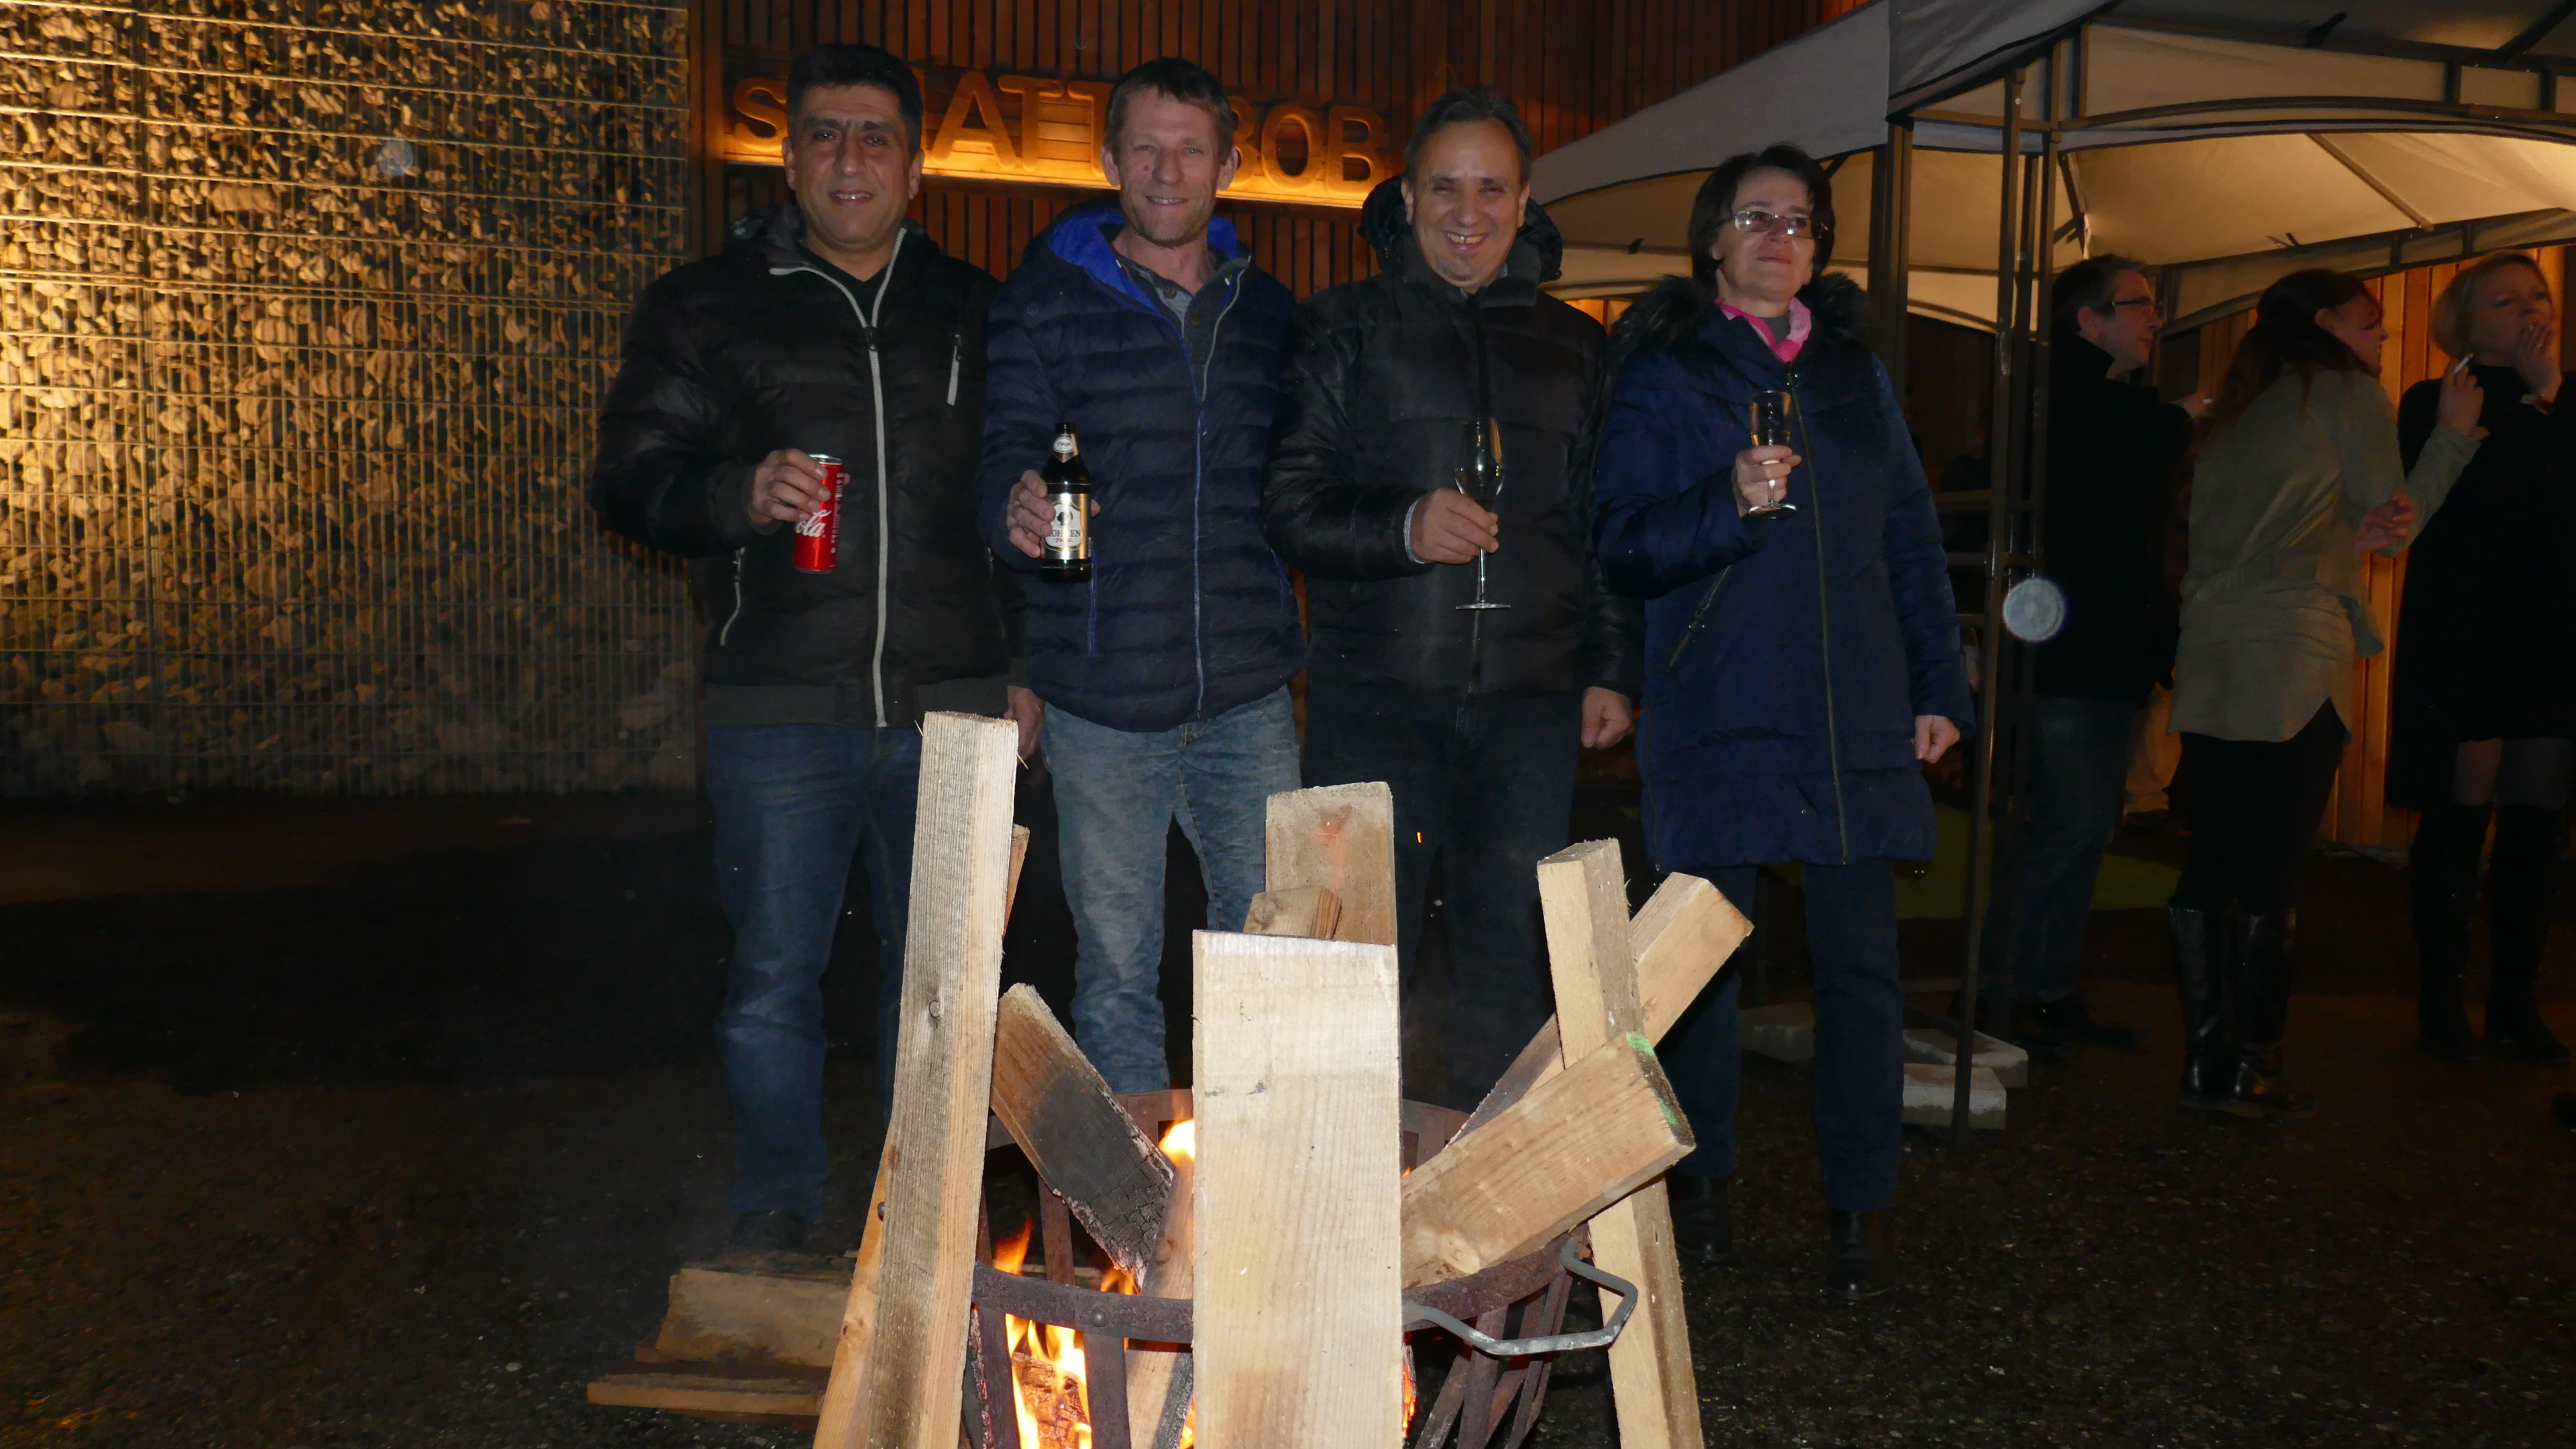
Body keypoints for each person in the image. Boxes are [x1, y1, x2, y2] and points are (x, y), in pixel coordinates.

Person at [590, 45, 1034, 1252]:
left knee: (938, 990)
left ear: (917, 168)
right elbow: (628, 479)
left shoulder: (977, 307)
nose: (851, 158)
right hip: (780, 704)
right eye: (826, 134)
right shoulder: (704, 304)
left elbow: (1026, 493)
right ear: (789, 161)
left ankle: (915, 1221)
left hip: (953, 705)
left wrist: (1025, 665)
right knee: (773, 982)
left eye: (876, 135)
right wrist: (734, 493)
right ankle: (777, 1211)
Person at [1593, 144, 1974, 1302]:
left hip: (1854, 714)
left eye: (1799, 222)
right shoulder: (1666, 372)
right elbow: (1621, 543)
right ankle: (1701, 1187)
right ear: (1714, 238)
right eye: (1756, 218)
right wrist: (1725, 502)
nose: (1778, 238)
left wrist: (1938, 686)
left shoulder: (1855, 375)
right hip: (1722, 701)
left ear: (1819, 247)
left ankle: (1860, 1208)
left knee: (1863, 972)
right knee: (1704, 970)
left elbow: (1911, 539)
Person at [1261, 88, 1642, 1111]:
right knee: (1355, 959)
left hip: (1531, 705)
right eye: (1444, 188)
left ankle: (1488, 1189)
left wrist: (1610, 668)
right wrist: (1401, 527)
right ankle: (1341, 1173)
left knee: (1509, 964)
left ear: (1524, 201)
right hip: (1374, 696)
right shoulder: (1339, 326)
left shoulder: (1577, 345)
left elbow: (1598, 523)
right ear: (1406, 196)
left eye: (1490, 189)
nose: (1466, 213)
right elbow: (1289, 506)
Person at [977, 58, 1305, 1094]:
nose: (1168, 171)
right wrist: (1013, 507)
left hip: (1248, 692)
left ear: (1229, 166)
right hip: (1103, 698)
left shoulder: (1270, 311)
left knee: (1272, 954)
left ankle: (1253, 1169)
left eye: (1190, 149)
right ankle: (1135, 1191)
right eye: (1147, 149)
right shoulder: (1042, 304)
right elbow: (1000, 456)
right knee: (1117, 972)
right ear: (1111, 160)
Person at [2167, 268, 2481, 1120]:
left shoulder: (2243, 408)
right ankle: (2256, 1068)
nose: (2382, 336)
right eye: (2370, 321)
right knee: (2272, 862)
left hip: (2213, 648)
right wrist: (2453, 437)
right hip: (2293, 651)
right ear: (2328, 324)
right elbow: (2398, 518)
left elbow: (2287, 527)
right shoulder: (2346, 394)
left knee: (2215, 855)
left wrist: (2350, 531)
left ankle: (2206, 1061)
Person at [1978, 257, 2194, 1054]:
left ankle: (2040, 987)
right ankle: (2012, 990)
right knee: (2070, 825)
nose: (2155, 319)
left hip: (2098, 649)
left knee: (2084, 825)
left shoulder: (2096, 403)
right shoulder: (2070, 405)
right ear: (2089, 321)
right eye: (2138, 304)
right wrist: (2173, 422)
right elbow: (2101, 491)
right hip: (2074, 652)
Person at [2389, 254, 2576, 1067]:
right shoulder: (2437, 398)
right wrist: (2537, 408)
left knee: (2538, 815)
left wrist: (2551, 395)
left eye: (2538, 296)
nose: (2531, 311)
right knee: (2460, 813)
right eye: (2507, 301)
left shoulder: (2566, 395)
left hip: (2551, 627)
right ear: (2465, 321)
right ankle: (2440, 993)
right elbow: (2470, 497)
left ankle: (2514, 998)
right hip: (2466, 625)